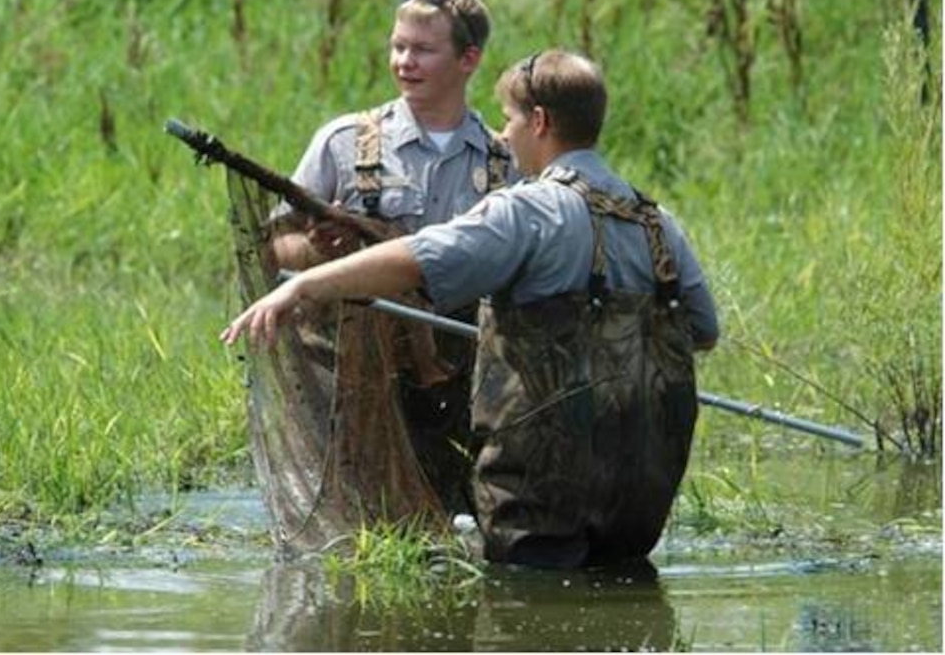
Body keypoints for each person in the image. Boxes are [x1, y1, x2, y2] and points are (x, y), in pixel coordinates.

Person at [223, 49, 719, 569]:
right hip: (642, 491)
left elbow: (414, 260)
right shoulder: (659, 223)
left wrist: (301, 289)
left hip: (540, 496)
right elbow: (702, 331)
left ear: (542, 122)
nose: (503, 136)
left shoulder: (528, 210)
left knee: (525, 615)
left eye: (509, 119)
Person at [264, 0, 517, 518]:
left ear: (469, 59)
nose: (404, 61)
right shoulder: (343, 142)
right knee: (355, 528)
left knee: (460, 520)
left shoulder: (507, 163)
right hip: (355, 381)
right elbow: (275, 248)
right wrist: (322, 252)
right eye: (398, 46)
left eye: (423, 49)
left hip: (462, 384)